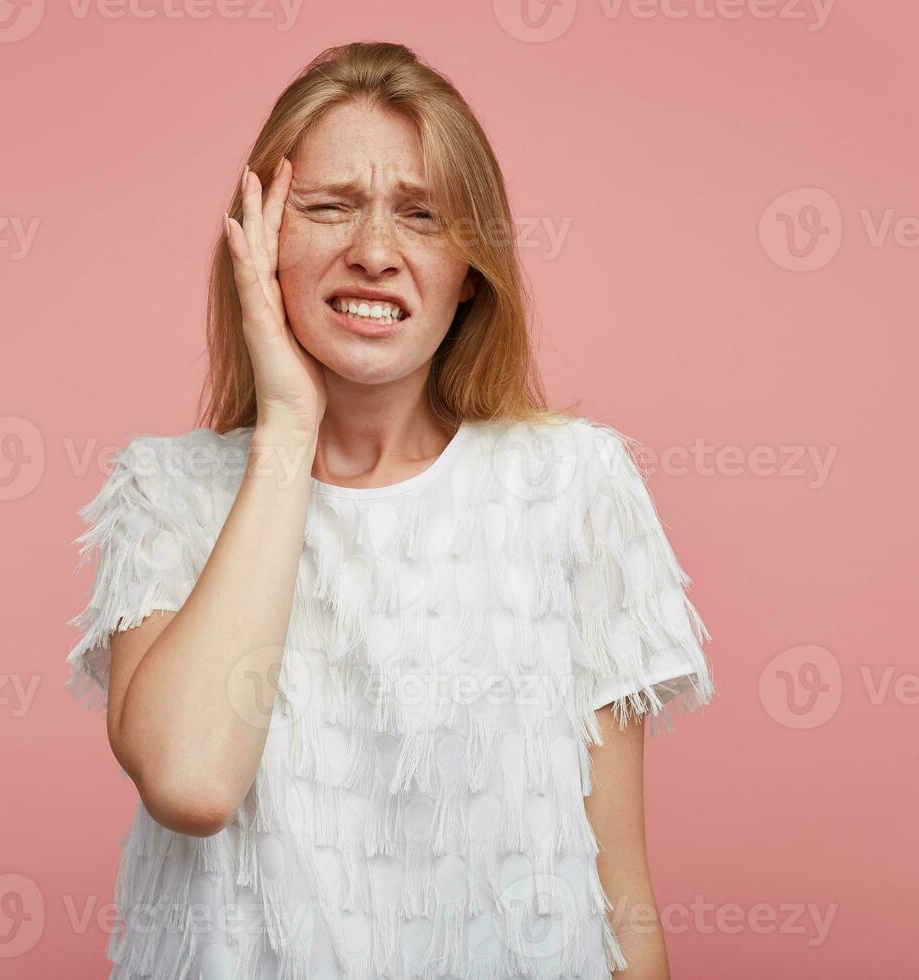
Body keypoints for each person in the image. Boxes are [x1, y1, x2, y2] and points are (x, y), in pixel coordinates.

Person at [67, 41, 715, 980]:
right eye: (329, 207)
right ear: (259, 238)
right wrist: (288, 425)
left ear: (471, 266)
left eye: (422, 216)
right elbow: (192, 782)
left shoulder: (573, 486)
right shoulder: (165, 494)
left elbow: (622, 899)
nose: (373, 252)